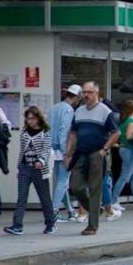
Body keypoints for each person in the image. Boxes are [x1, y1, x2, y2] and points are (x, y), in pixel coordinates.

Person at [64, 81, 119, 236]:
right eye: (84, 92)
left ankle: (92, 225)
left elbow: (116, 133)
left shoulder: (104, 111)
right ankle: (95, 210)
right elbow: (73, 133)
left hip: (96, 153)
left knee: (95, 189)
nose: (86, 95)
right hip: (80, 153)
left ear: (97, 93)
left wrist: (104, 149)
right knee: (76, 186)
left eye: (89, 92)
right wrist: (68, 153)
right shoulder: (79, 111)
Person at [3, 107, 56, 235]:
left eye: (32, 118)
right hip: (25, 168)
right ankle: (17, 226)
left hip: (39, 170)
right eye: (28, 118)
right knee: (21, 197)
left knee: (44, 198)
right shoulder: (25, 133)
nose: (30, 121)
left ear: (38, 118)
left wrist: (41, 161)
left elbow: (46, 150)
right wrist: (19, 167)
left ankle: (50, 224)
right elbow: (22, 151)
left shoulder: (45, 133)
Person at [49, 84, 81, 223]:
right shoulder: (69, 110)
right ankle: (54, 211)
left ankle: (70, 210)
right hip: (61, 150)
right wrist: (66, 153)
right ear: (77, 97)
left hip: (50, 149)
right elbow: (64, 132)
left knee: (62, 182)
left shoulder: (53, 108)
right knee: (63, 181)